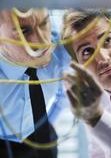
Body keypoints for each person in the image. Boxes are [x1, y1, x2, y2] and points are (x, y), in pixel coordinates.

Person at [61, 9, 111, 158]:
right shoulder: (95, 101)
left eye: (107, 40)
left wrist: (96, 118)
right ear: (78, 66)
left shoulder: (94, 112)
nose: (103, 59)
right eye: (87, 51)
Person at [0, 8, 70, 158]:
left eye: (44, 23)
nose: (43, 42)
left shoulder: (62, 49)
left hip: (42, 136)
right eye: (24, 31)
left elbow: (67, 92)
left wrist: (45, 122)